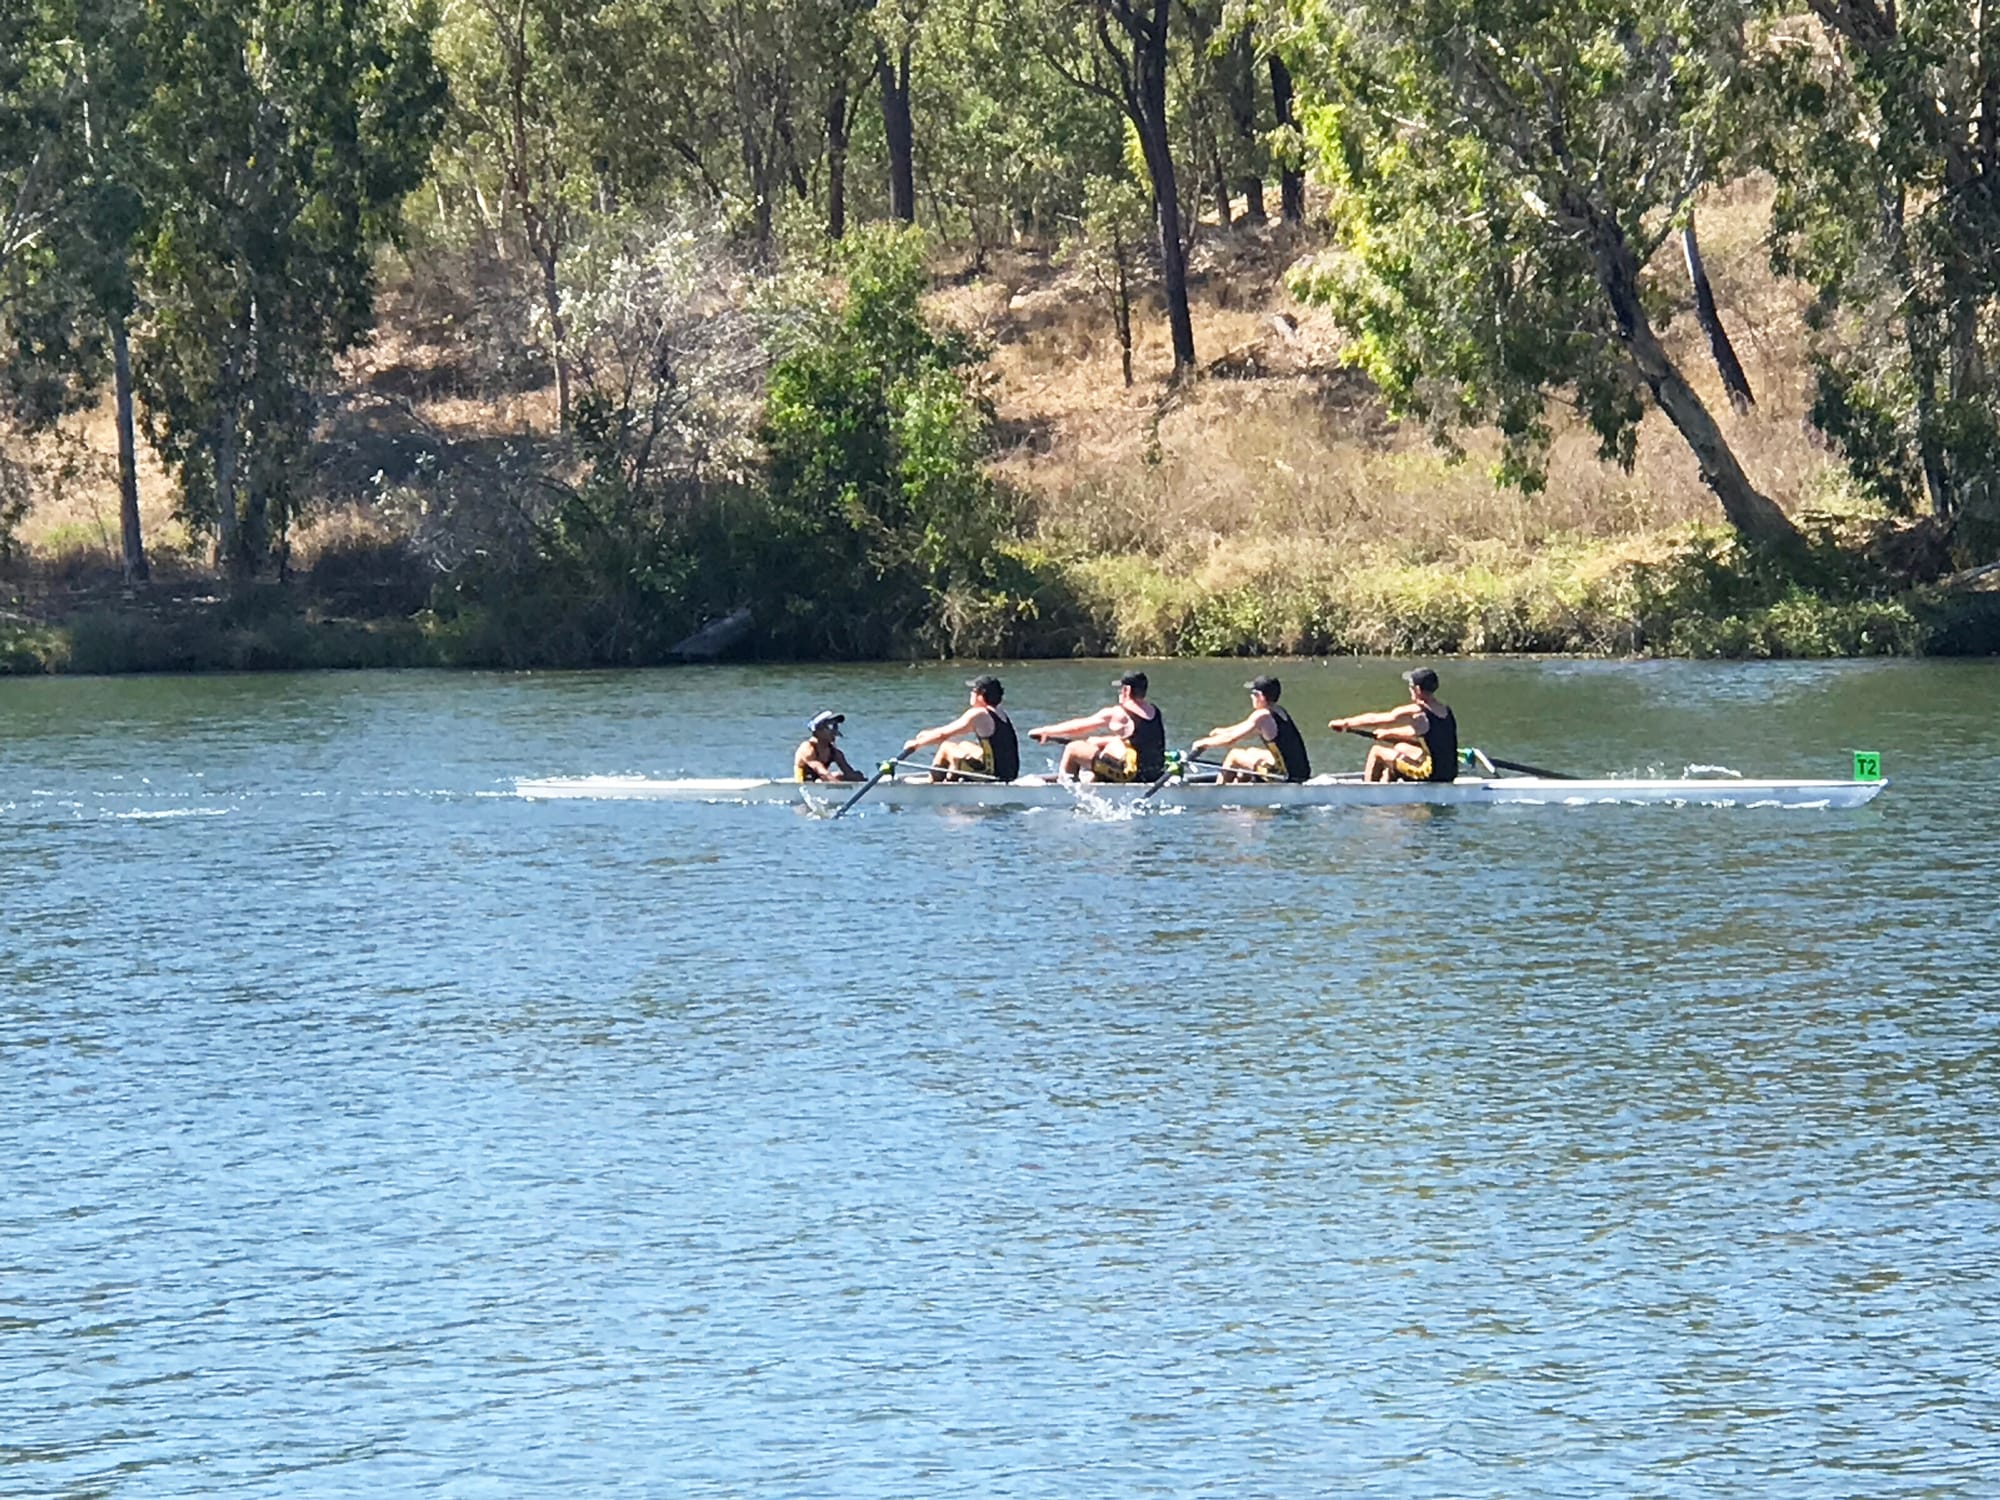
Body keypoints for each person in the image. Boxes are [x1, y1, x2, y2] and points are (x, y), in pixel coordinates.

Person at [1029, 670, 1167, 783]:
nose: (1119, 693)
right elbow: (1137, 742)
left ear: (1127, 690)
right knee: (1103, 748)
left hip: (1132, 775)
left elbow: (1078, 727)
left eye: (1120, 689)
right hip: (1153, 774)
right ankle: (1093, 781)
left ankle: (1066, 789)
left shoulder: (1118, 713)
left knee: (1073, 748)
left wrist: (1045, 731)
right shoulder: (1154, 711)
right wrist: (1099, 741)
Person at [1328, 666, 1458, 783]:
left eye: (1410, 686)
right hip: (1450, 773)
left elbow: (1376, 719)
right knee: (1401, 747)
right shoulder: (1445, 710)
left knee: (1376, 751)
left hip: (1431, 774)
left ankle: (1368, 792)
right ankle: (1388, 783)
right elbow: (1422, 734)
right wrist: (1388, 733)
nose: (1409, 689)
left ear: (1417, 689)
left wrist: (1345, 723)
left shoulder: (1417, 711)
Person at [1191, 675, 1312, 783]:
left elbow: (1230, 740)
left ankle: (1217, 793)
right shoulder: (1278, 710)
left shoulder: (1262, 716)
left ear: (1261, 697)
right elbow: (1243, 727)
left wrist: (1203, 743)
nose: (1251, 697)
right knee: (1252, 751)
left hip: (1287, 776)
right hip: (1301, 771)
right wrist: (1222, 731)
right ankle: (1240, 783)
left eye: (1253, 694)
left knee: (1234, 755)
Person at [901, 675, 1020, 782]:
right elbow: (952, 730)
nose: (970, 694)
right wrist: (929, 734)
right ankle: (953, 775)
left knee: (946, 746)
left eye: (972, 691)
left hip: (993, 775)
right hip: (1010, 773)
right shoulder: (999, 712)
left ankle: (932, 780)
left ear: (980, 695)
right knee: (964, 745)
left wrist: (916, 744)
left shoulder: (979, 714)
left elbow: (943, 735)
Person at [794, 710, 864, 782]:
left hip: (820, 787)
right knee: (822, 780)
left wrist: (858, 777)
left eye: (835, 726)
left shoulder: (834, 752)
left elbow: (849, 773)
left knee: (839, 776)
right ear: (818, 730)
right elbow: (823, 774)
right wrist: (839, 785)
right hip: (802, 787)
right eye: (830, 727)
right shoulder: (807, 748)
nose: (834, 732)